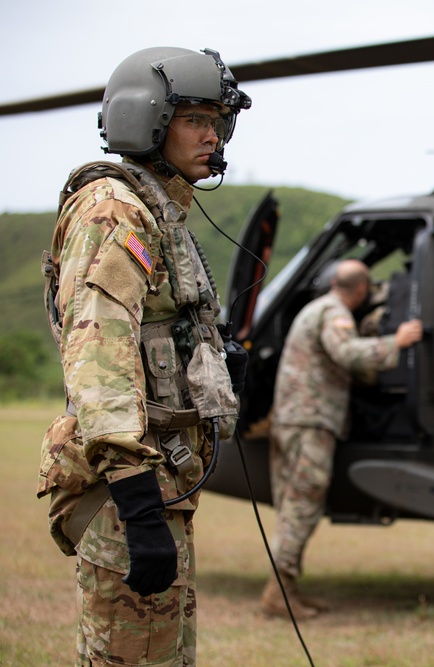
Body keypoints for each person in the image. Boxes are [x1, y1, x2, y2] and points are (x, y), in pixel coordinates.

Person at [37, 47, 251, 666]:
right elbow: (97, 354)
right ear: (149, 119)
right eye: (196, 120)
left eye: (219, 122)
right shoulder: (116, 212)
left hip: (161, 482)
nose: (213, 136)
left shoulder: (159, 209)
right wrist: (135, 497)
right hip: (128, 490)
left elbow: (151, 332)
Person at [261, 259, 423, 618]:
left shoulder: (316, 308)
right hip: (310, 420)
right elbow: (347, 354)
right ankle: (279, 593)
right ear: (361, 290)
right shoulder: (336, 314)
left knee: (293, 506)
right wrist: (395, 341)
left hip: (295, 418)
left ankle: (286, 589)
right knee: (303, 503)